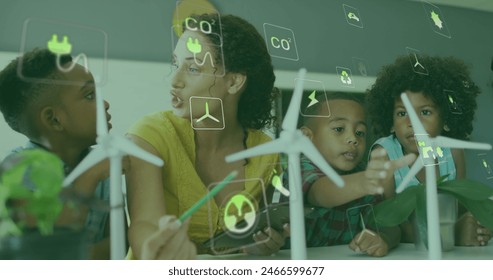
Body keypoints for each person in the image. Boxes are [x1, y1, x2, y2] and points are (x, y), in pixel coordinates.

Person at [0, 48, 195, 259]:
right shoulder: (17, 171)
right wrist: (90, 177)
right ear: (54, 119)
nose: (104, 104)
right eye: (89, 95)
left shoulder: (102, 164)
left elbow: (117, 245)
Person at [125, 13, 284, 258]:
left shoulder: (266, 153)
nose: (174, 81)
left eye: (193, 68)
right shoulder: (150, 137)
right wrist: (158, 249)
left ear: (233, 82)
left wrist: (262, 244)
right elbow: (144, 226)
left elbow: (258, 233)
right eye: (175, 64)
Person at [366, 54, 492, 246]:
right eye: (402, 113)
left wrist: (479, 227)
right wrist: (452, 235)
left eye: (425, 112)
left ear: (447, 120)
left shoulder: (453, 152)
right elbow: (387, 223)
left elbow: (460, 210)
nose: (412, 123)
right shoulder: (385, 154)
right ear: (391, 123)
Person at [281, 92, 415, 257]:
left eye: (360, 132)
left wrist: (382, 238)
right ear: (307, 137)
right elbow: (323, 193)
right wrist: (364, 183)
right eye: (339, 129)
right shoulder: (301, 166)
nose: (353, 139)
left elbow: (389, 225)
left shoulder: (361, 174)